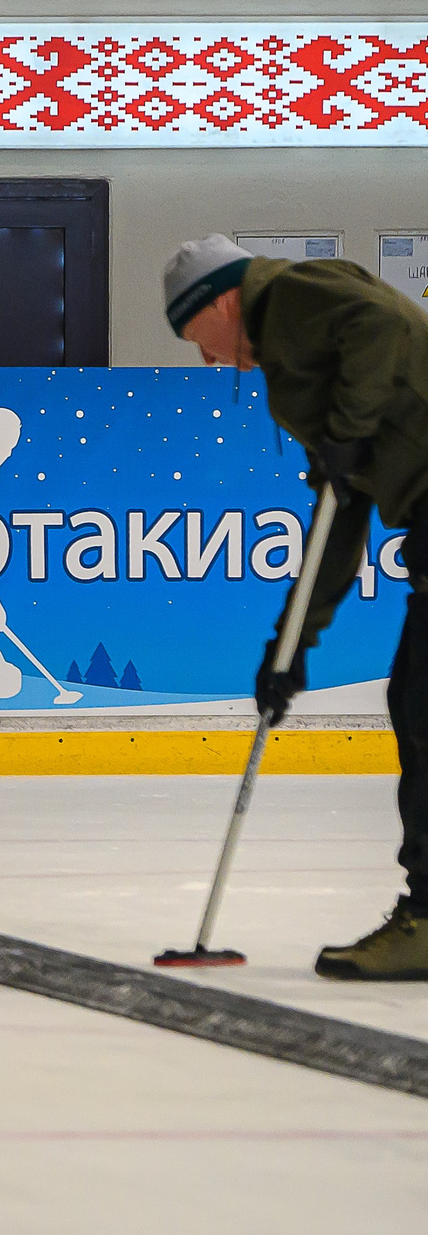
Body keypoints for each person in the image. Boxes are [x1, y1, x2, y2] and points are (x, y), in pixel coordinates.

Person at [165, 233, 428, 979]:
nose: (209, 361)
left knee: (424, 710)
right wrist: (292, 649)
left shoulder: (294, 294)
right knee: (415, 701)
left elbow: (382, 325)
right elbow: (339, 519)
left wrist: (346, 435)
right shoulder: (295, 358)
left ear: (219, 301)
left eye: (198, 340)